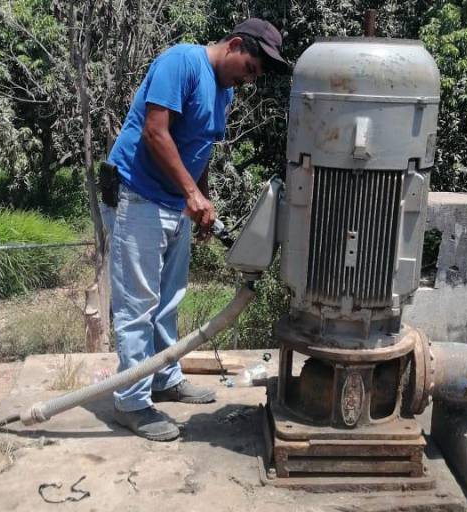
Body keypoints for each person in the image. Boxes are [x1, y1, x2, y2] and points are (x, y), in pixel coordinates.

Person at [107, 19, 288, 441]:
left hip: (173, 201)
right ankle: (130, 402)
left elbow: (199, 150)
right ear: (237, 44)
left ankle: (164, 377)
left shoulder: (223, 92)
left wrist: (202, 203)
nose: (249, 80)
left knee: (169, 299)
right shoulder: (181, 62)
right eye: (251, 69)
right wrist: (191, 193)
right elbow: (155, 131)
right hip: (138, 194)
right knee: (138, 303)